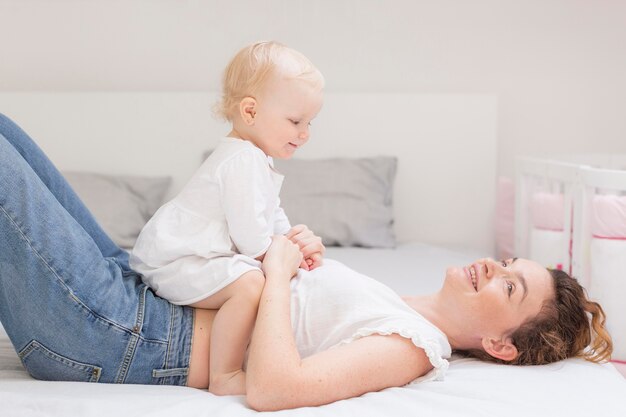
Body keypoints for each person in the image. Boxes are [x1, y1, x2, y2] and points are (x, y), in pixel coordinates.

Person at [0, 114, 612, 412]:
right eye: (507, 261)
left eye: (509, 286)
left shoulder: (416, 347)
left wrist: (280, 270)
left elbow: (275, 389)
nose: (490, 266)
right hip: (139, 289)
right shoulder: (392, 300)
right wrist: (289, 250)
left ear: (500, 345)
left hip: (122, 336)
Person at [129, 41, 325, 395]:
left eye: (310, 122)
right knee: (250, 283)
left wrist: (292, 242)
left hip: (187, 257)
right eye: (296, 121)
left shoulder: (255, 158)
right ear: (250, 112)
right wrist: (282, 259)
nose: (305, 133)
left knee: (253, 275)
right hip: (175, 260)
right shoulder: (242, 160)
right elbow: (252, 241)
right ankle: (225, 373)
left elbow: (270, 213)